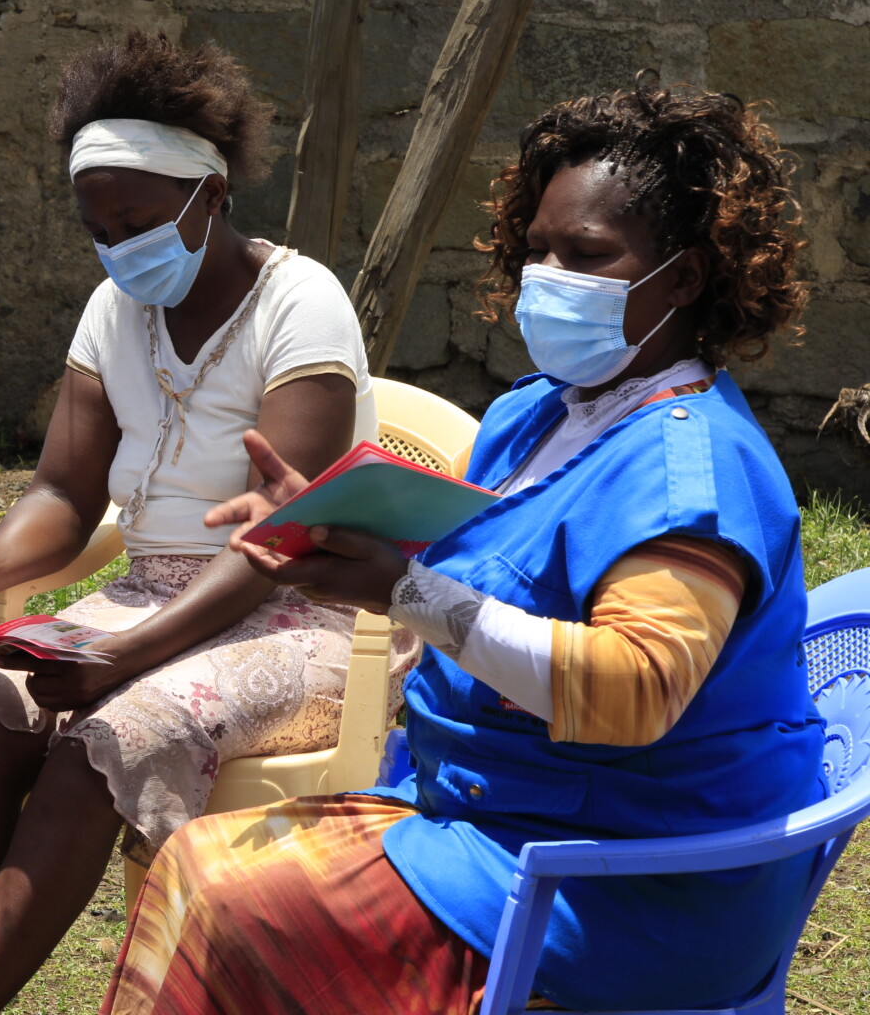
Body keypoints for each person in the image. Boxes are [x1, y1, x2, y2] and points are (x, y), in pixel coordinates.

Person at [100, 76, 826, 1014]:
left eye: (587, 255)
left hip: (625, 885)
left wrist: (406, 592)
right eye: (537, 251)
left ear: (683, 278)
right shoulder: (537, 415)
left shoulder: (694, 476)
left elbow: (635, 691)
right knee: (200, 861)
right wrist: (333, 532)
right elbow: (471, 571)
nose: (547, 278)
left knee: (234, 902)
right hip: (499, 816)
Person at [0, 30, 417, 1015]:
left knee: (110, 734)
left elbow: (281, 535)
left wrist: (121, 659)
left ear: (210, 196)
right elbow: (62, 496)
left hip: (296, 618)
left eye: (134, 220)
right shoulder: (111, 312)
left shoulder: (299, 305)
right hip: (143, 602)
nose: (114, 246)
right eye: (96, 226)